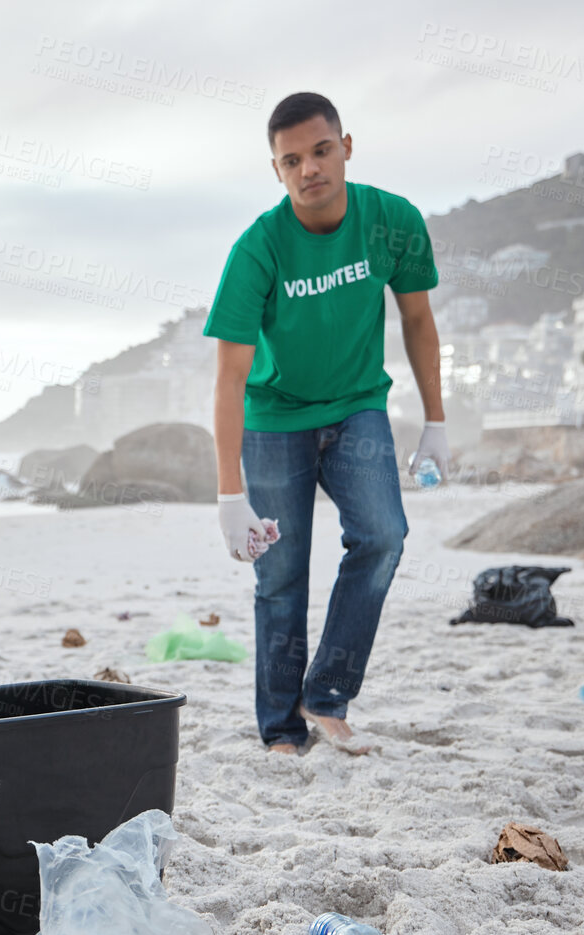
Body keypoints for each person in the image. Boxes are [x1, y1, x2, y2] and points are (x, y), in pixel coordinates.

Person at [204, 92, 445, 756]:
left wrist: (436, 422)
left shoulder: (391, 220)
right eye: (290, 161)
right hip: (274, 421)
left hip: (357, 408)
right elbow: (227, 378)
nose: (308, 169)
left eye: (318, 150)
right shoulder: (256, 249)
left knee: (383, 534)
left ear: (344, 145)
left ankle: (326, 692)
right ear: (275, 171)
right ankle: (281, 729)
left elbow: (418, 320)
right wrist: (230, 495)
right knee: (278, 577)